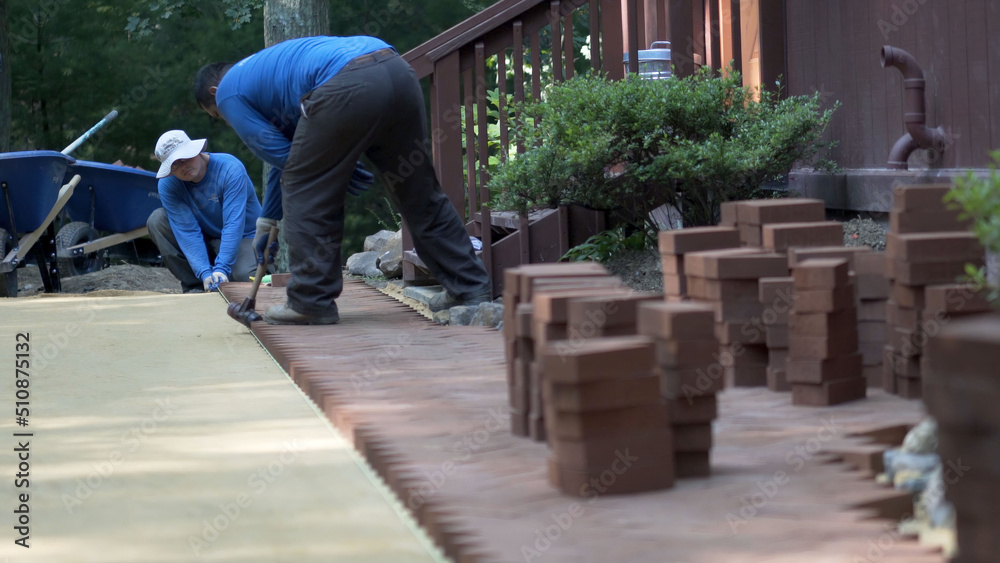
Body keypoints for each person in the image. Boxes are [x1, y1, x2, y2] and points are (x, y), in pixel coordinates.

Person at [193, 35, 491, 325]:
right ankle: (470, 287)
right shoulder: (264, 74)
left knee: (307, 193)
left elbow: (286, 161)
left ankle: (310, 301)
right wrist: (267, 220)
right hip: (395, 69)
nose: (226, 118)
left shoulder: (228, 93)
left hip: (347, 83)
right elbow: (291, 157)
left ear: (214, 91)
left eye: (218, 115)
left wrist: (332, 169)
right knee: (417, 190)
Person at [147, 130, 262, 294]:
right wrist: (204, 272)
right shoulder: (168, 185)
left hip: (246, 235)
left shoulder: (230, 169)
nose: (183, 166)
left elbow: (233, 224)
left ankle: (229, 273)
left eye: (185, 158)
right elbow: (187, 230)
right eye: (175, 164)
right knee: (157, 220)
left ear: (197, 151)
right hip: (206, 237)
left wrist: (222, 268)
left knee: (244, 277)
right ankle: (197, 285)